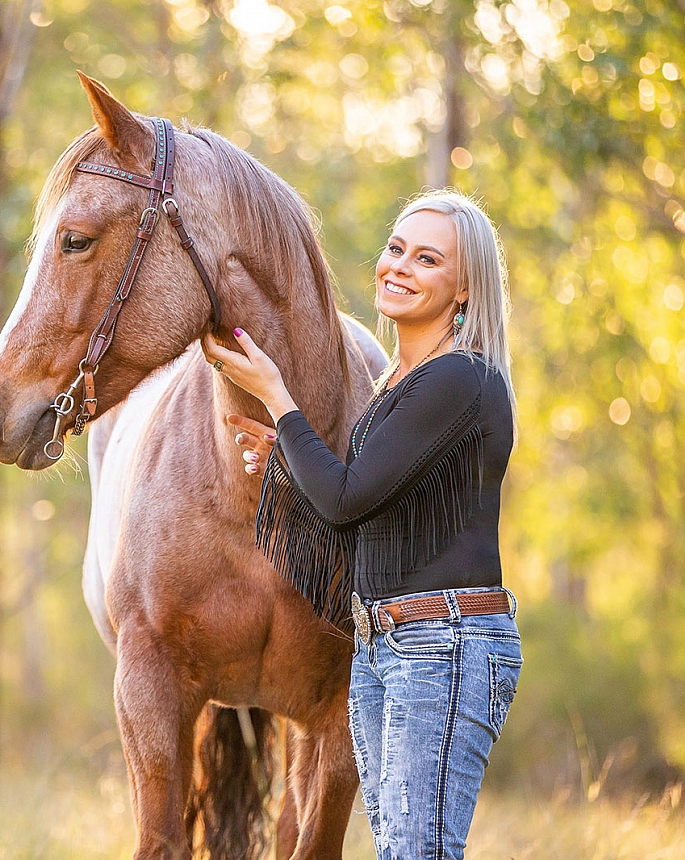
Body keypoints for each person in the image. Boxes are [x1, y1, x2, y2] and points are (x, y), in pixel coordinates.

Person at [201, 189, 521, 860]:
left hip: (442, 643)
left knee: (415, 851)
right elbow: (359, 523)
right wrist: (285, 456)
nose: (399, 266)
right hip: (388, 645)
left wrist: (277, 395)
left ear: (463, 288)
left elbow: (345, 498)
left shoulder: (458, 379)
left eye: (427, 258)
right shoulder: (400, 388)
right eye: (395, 247)